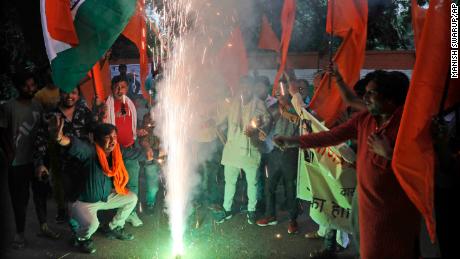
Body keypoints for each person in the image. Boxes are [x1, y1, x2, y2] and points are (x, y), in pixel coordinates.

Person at [275, 70, 420, 259]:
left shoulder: (409, 125)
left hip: (395, 210)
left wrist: (390, 154)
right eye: (365, 93)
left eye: (371, 93)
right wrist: (291, 141)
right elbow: (330, 136)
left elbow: (421, 171)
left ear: (390, 99)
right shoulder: (365, 119)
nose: (365, 98)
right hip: (365, 202)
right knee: (367, 249)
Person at [51, 121, 154, 253]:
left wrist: (151, 153)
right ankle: (81, 238)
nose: (112, 141)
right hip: (83, 202)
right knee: (93, 224)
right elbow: (75, 145)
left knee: (132, 198)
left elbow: (134, 154)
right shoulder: (90, 151)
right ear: (97, 139)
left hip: (104, 197)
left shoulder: (116, 151)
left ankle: (114, 227)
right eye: (107, 137)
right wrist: (60, 138)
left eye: (115, 137)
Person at [0, 71, 60, 249]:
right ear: (18, 87)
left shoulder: (37, 106)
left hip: (36, 161)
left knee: (40, 195)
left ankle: (44, 226)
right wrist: (9, 152)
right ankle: (19, 235)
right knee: (20, 200)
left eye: (33, 85)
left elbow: (42, 131)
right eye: (26, 85)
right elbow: (1, 132)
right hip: (17, 163)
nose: (30, 88)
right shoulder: (8, 107)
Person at [34, 87, 94, 223]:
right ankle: (75, 230)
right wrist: (40, 164)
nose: (69, 96)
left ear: (78, 96)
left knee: (83, 198)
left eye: (74, 93)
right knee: (67, 197)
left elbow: (95, 129)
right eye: (66, 92)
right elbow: (40, 139)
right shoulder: (50, 114)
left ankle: (83, 227)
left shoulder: (84, 112)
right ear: (60, 94)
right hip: (61, 164)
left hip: (82, 163)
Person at [215, 76, 270, 225]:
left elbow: (266, 121)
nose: (244, 90)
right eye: (241, 86)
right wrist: (224, 140)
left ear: (251, 88)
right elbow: (219, 123)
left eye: (246, 87)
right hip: (232, 151)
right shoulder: (232, 103)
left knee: (252, 183)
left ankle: (251, 210)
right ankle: (227, 209)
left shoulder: (258, 104)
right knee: (229, 182)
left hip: (250, 151)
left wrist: (260, 130)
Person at [255, 78, 300, 234]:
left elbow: (299, 121)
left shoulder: (298, 107)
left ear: (289, 91)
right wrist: (262, 131)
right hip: (275, 152)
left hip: (291, 152)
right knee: (270, 186)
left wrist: (286, 107)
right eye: (277, 90)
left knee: (290, 188)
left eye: (282, 89)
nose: (279, 93)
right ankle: (270, 215)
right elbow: (268, 123)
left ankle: (293, 220)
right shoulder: (274, 107)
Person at [104, 76, 144, 227]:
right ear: (111, 87)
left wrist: (138, 131)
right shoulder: (105, 106)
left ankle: (130, 213)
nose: (119, 90)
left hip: (130, 147)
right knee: (116, 184)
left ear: (127, 89)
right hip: (112, 151)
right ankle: (116, 214)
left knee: (133, 183)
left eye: (123, 87)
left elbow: (131, 125)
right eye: (117, 86)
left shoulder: (130, 104)